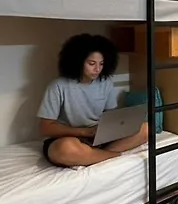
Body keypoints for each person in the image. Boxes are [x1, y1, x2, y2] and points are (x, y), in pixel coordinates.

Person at [38, 34, 148, 167]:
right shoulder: (57, 86)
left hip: (99, 136)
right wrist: (83, 132)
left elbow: (111, 116)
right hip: (70, 137)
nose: (97, 69)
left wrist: (113, 128)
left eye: (101, 64)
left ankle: (95, 155)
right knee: (65, 149)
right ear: (78, 61)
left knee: (145, 129)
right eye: (91, 63)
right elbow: (46, 128)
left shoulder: (106, 83)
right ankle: (113, 156)